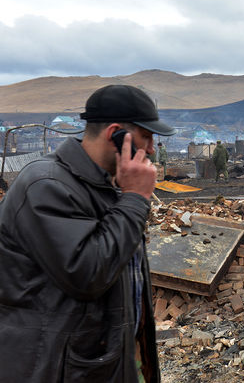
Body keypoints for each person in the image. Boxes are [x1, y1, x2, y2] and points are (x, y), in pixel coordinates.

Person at [0, 84, 176, 382]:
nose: (152, 149)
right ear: (116, 134)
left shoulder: (106, 187)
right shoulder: (46, 186)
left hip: (93, 365)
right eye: (146, 137)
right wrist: (135, 199)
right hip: (51, 368)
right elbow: (88, 273)